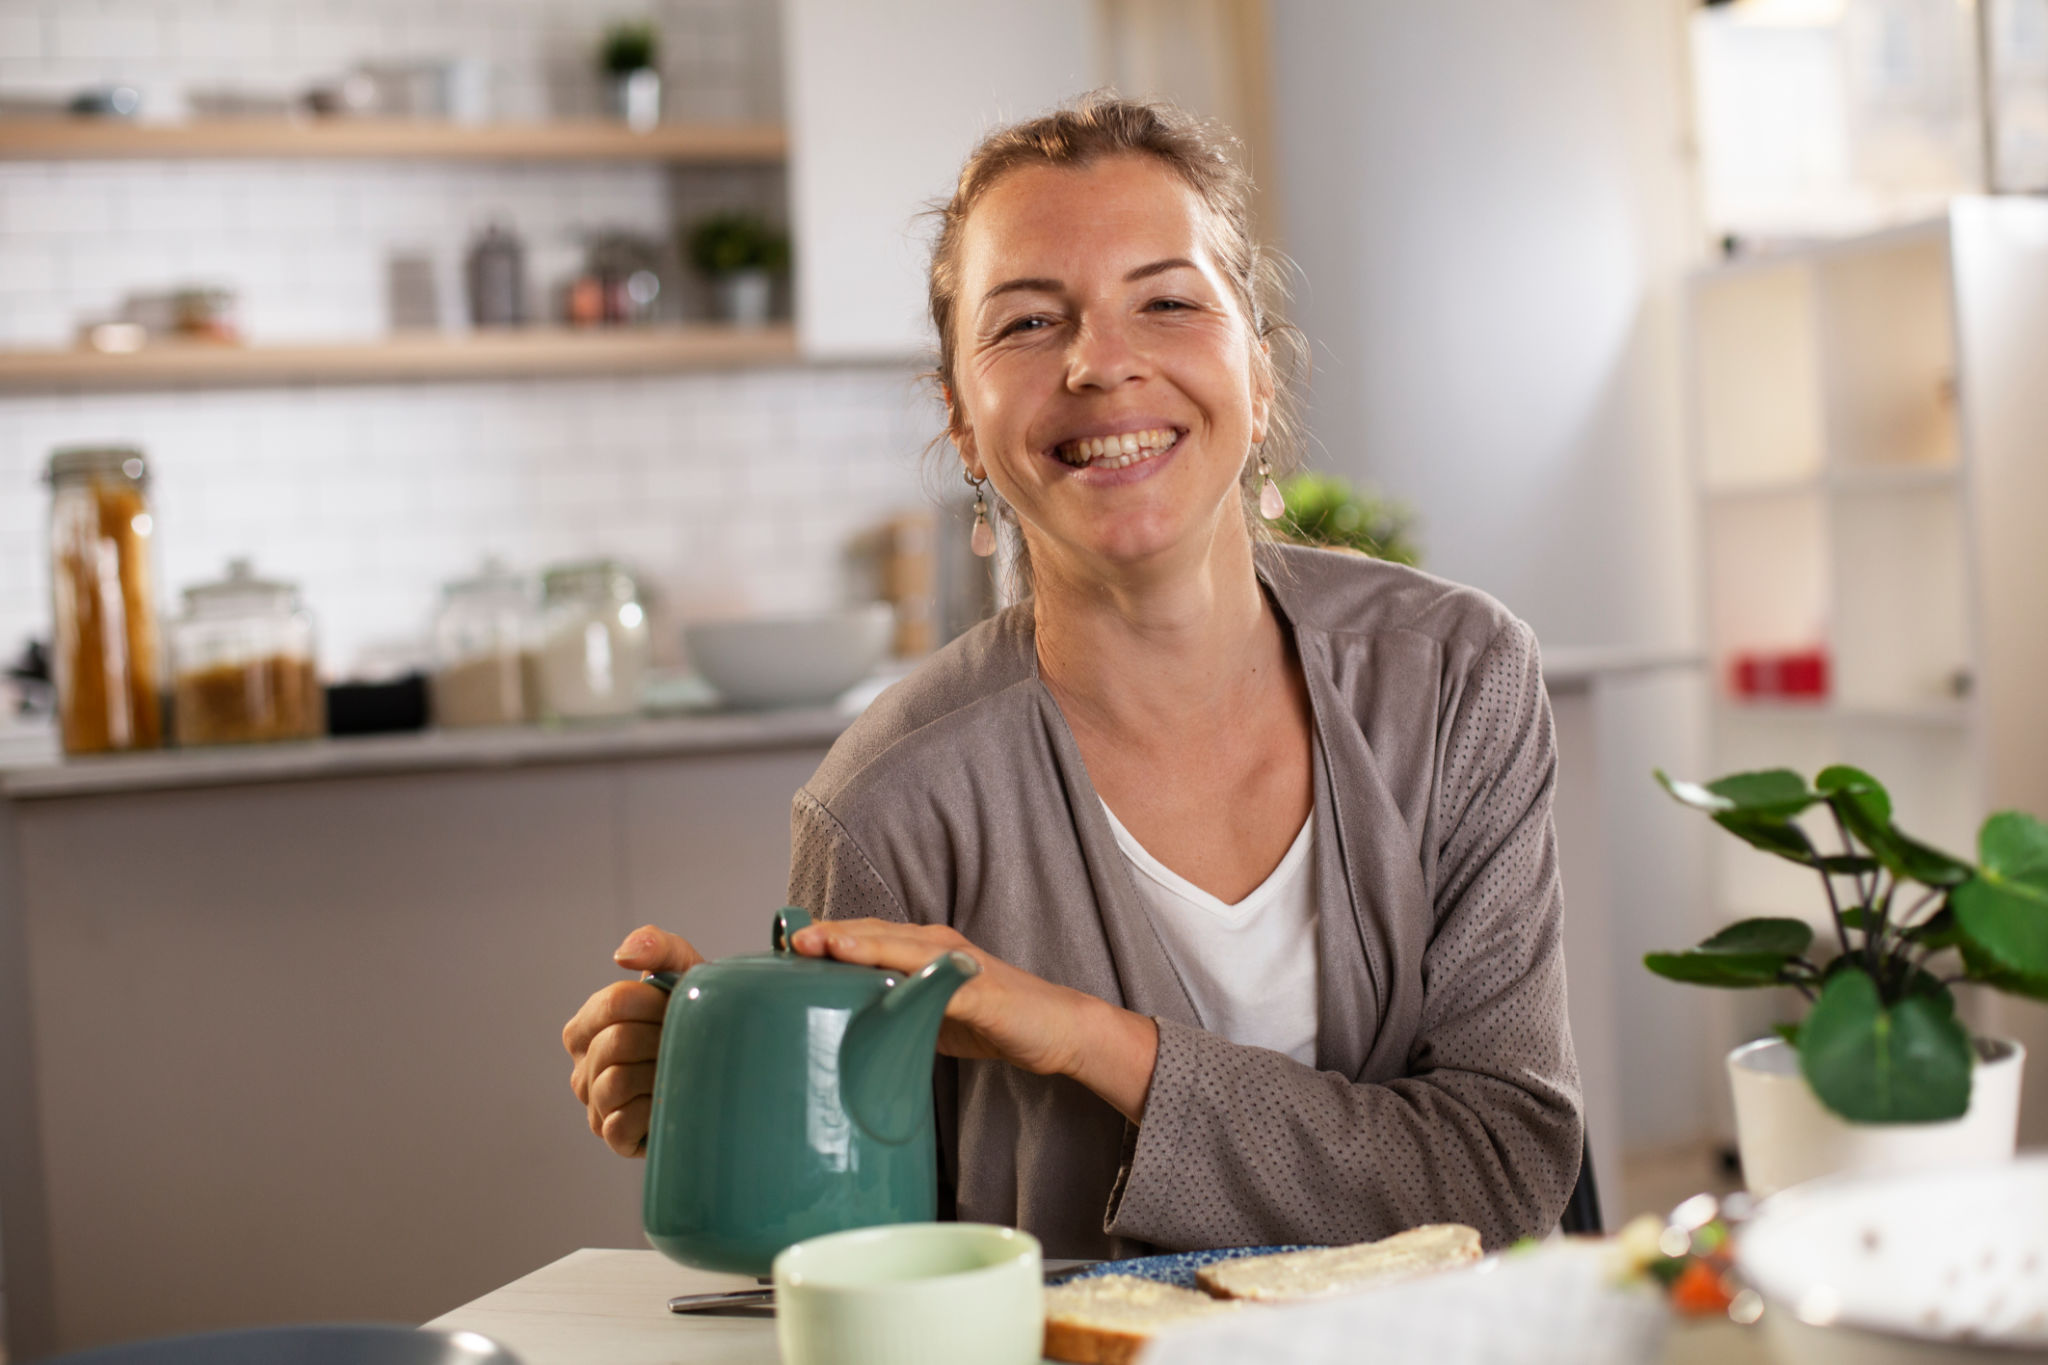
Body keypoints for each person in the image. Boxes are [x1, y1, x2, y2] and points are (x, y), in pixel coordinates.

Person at [564, 94, 1582, 1260]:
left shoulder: (1457, 682)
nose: (1103, 363)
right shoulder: (886, 808)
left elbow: (1503, 1172)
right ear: (959, 416)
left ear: (1255, 371)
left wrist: (1083, 1039)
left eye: (1165, 301)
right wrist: (732, 1085)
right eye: (1028, 324)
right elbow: (864, 1261)